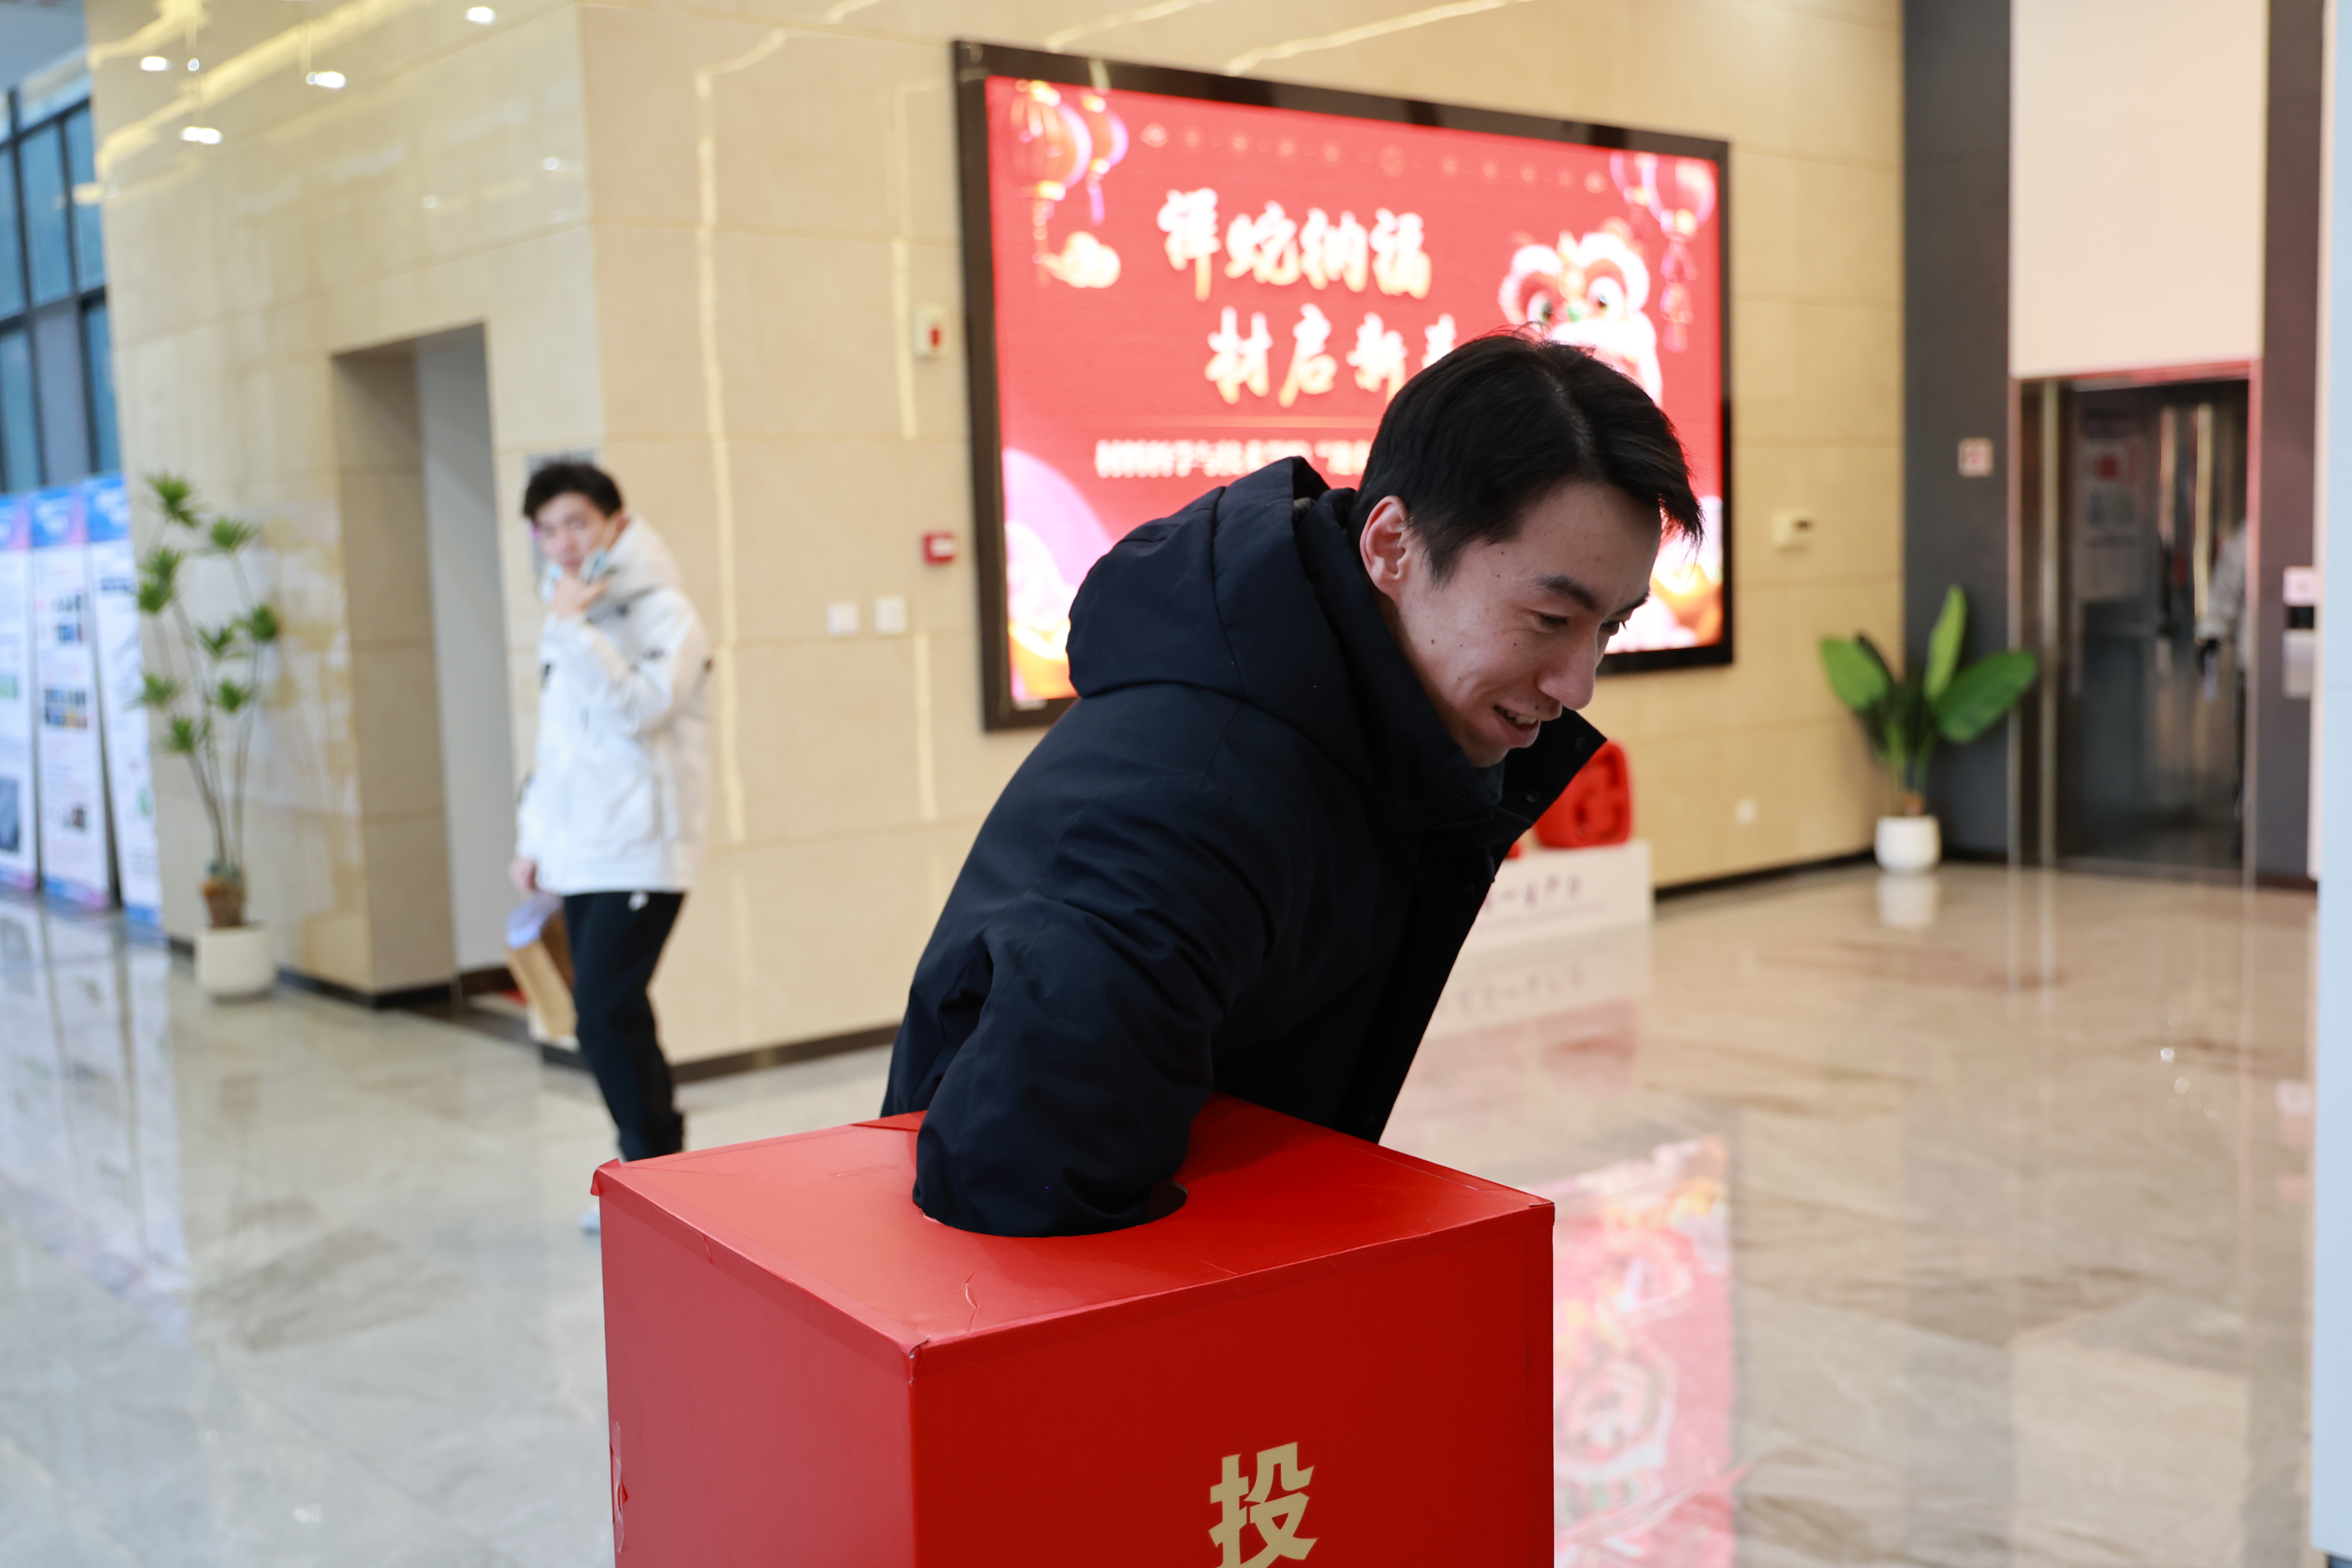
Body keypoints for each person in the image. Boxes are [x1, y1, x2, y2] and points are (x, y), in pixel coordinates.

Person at [882, 333, 1702, 1236]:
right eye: (1550, 618)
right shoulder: (1200, 805)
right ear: (1391, 545)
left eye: (1608, 629)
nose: (1578, 684)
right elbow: (1023, 1183)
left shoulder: (1369, 733)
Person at [508, 462, 711, 1225]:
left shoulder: (667, 614)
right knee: (610, 1012)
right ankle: (657, 1168)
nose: (563, 542)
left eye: (578, 523)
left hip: (643, 849)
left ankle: (651, 1173)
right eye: (548, 528)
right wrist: (534, 840)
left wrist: (575, 631)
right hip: (582, 851)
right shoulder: (564, 614)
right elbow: (558, 745)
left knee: (603, 1010)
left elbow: (641, 710)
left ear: (616, 524)